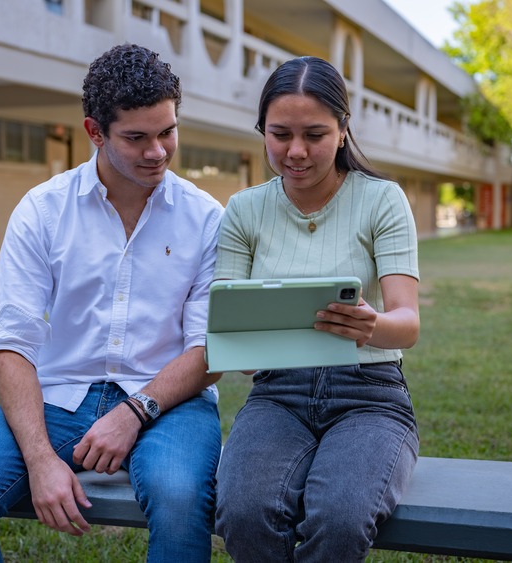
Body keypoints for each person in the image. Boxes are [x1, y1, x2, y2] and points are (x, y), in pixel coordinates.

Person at [0, 43, 224, 563]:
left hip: (169, 401)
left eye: (167, 132)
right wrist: (41, 459)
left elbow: (209, 347)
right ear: (95, 132)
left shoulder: (205, 218)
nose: (157, 151)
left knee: (179, 501)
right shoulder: (43, 210)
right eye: (136, 138)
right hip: (61, 396)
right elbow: (12, 342)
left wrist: (135, 412)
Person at [213, 56, 420, 562]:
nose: (296, 151)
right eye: (280, 134)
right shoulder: (244, 210)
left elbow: (406, 324)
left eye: (315, 134)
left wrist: (371, 326)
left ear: (344, 130)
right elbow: (227, 337)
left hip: (369, 396)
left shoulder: (382, 200)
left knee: (340, 518)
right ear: (262, 130)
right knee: (241, 512)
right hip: (278, 393)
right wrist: (246, 337)